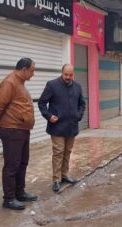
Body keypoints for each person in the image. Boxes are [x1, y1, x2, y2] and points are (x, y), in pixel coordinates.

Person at [0, 58, 38, 210]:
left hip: (21, 130)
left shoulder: (20, 83)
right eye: (32, 70)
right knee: (12, 165)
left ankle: (20, 192)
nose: (33, 74)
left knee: (22, 162)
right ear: (24, 70)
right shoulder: (10, 82)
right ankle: (9, 199)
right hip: (12, 130)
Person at [38, 64, 86, 192]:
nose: (68, 77)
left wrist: (79, 115)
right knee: (58, 152)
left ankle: (64, 175)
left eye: (70, 75)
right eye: (66, 74)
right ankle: (56, 179)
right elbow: (42, 102)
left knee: (68, 152)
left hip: (72, 126)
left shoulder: (77, 87)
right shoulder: (52, 85)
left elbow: (82, 104)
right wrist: (48, 116)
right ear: (62, 72)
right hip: (57, 126)